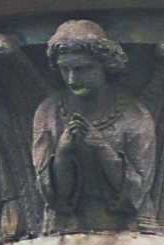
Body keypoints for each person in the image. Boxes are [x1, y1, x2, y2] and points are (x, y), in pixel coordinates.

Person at [32, 20, 156, 229]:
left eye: (83, 69)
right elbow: (51, 194)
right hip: (65, 227)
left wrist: (101, 148)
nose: (72, 79)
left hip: (126, 230)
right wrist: (62, 153)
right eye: (65, 69)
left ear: (105, 65)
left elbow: (137, 191)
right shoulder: (49, 112)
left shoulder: (133, 116)